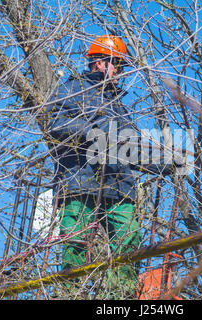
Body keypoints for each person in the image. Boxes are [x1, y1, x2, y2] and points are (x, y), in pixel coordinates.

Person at [44, 35, 178, 299]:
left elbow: (133, 149)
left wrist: (164, 162)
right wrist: (90, 133)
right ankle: (71, 295)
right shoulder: (72, 90)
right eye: (118, 65)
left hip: (118, 187)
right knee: (75, 242)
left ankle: (121, 298)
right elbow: (54, 125)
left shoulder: (119, 107)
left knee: (129, 241)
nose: (121, 72)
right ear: (100, 62)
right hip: (79, 182)